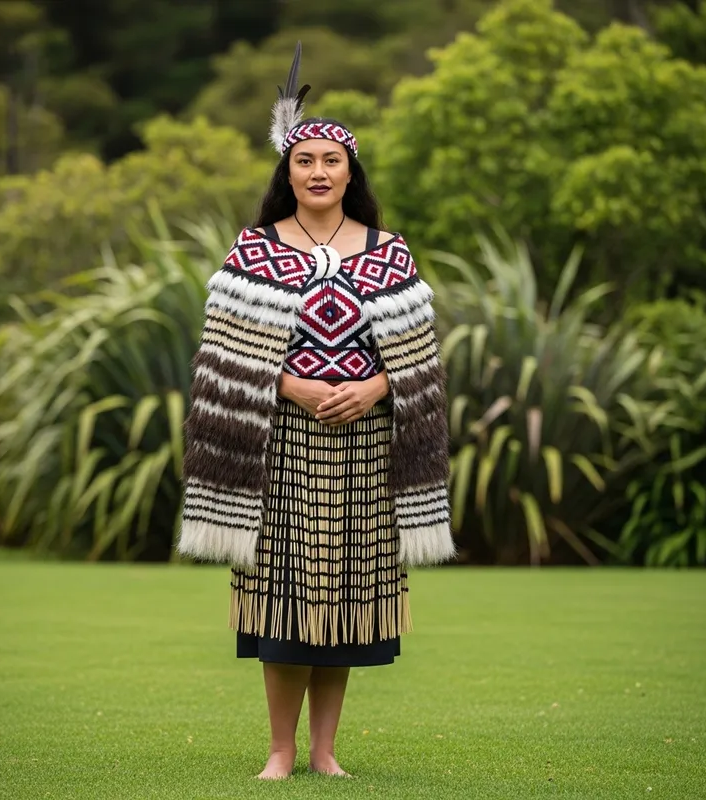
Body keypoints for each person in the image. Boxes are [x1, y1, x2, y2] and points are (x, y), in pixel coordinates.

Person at [177, 42, 455, 780]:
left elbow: (420, 362)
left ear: (350, 173)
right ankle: (279, 750)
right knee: (285, 595)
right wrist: (290, 386)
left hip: (367, 451)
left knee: (347, 599)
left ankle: (325, 751)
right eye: (306, 162)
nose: (319, 172)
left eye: (332, 161)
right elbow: (222, 359)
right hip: (281, 446)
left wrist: (376, 388)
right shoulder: (253, 251)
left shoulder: (390, 254)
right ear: (288, 171)